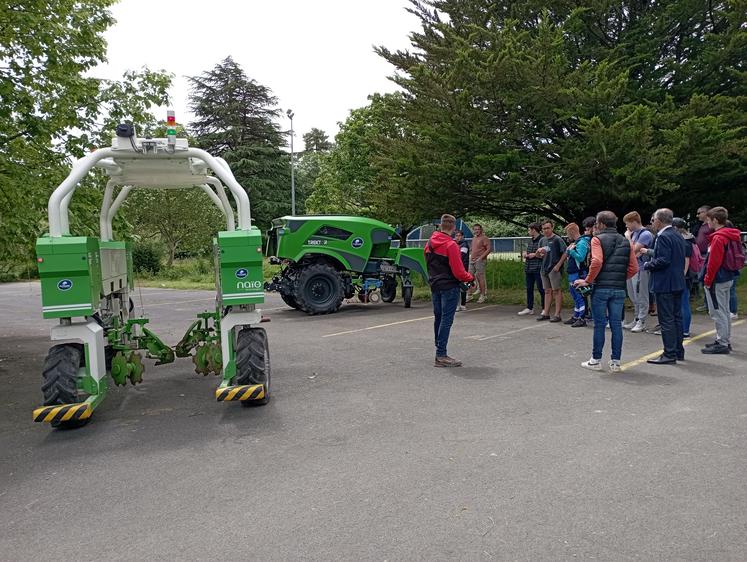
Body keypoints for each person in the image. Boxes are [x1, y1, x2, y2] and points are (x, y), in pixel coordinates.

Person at [574, 211, 638, 372]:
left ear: (601, 224)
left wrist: (587, 280)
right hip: (618, 289)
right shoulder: (626, 241)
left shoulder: (597, 240)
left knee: (600, 325)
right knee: (616, 325)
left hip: (601, 288)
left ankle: (596, 359)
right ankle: (615, 361)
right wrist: (620, 278)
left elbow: (597, 261)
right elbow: (634, 268)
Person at [424, 214, 475, 367]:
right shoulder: (451, 245)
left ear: (440, 225)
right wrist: (470, 278)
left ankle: (438, 349)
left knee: (438, 317)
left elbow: (427, 262)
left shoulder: (429, 244)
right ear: (453, 227)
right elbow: (459, 271)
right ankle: (441, 354)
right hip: (449, 286)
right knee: (447, 320)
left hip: (435, 284)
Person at [642, 208, 687, 365]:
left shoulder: (663, 236)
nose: (652, 222)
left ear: (659, 221)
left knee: (666, 319)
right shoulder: (677, 234)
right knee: (676, 318)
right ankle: (678, 350)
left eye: (653, 220)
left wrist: (647, 264)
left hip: (665, 283)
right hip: (677, 281)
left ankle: (669, 353)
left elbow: (663, 260)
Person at [700, 206, 741, 354]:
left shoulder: (718, 238)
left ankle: (723, 342)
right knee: (723, 310)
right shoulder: (730, 235)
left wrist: (707, 280)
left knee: (717, 311)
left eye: (709, 220)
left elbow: (713, 262)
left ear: (715, 220)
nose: (707, 223)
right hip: (728, 275)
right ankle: (723, 339)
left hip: (718, 278)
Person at [622, 212, 654, 333]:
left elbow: (633, 250)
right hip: (632, 268)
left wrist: (628, 238)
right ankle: (636, 318)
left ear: (634, 222)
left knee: (641, 294)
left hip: (642, 268)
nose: (627, 227)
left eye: (627, 223)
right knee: (633, 295)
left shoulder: (645, 234)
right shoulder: (635, 234)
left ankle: (642, 321)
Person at [673, 217, 700, 338]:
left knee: (683, 302)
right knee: (683, 302)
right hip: (687, 275)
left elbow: (686, 260)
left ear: (675, 228)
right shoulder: (689, 238)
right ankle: (683, 328)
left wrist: (681, 276)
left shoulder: (684, 241)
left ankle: (685, 330)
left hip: (684, 276)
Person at [536, 219, 567, 322]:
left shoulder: (557, 239)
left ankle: (557, 314)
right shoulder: (542, 240)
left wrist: (558, 265)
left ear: (552, 228)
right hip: (544, 268)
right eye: (544, 229)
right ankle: (546, 313)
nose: (546, 230)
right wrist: (538, 253)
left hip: (554, 268)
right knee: (547, 291)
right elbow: (540, 255)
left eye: (548, 228)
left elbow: (565, 252)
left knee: (556, 291)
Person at [564, 222, 591, 327]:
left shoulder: (582, 243)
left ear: (572, 232)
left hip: (578, 273)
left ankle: (582, 317)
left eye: (568, 234)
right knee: (575, 296)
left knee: (580, 296)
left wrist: (571, 251)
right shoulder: (576, 242)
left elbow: (581, 257)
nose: (567, 236)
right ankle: (576, 315)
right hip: (572, 273)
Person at [518, 222, 545, 315]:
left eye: (529, 230)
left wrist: (535, 255)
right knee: (529, 288)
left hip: (538, 267)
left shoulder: (542, 240)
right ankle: (529, 307)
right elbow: (529, 250)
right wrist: (525, 254)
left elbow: (544, 253)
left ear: (534, 230)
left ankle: (545, 308)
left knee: (541, 288)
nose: (528, 231)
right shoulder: (531, 240)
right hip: (529, 267)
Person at [466, 223, 490, 304]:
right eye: (475, 229)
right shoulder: (474, 238)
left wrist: (481, 258)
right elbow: (473, 249)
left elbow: (489, 249)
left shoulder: (484, 238)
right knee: (469, 277)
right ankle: (469, 294)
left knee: (480, 277)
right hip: (472, 260)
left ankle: (483, 295)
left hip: (480, 261)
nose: (476, 231)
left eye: (478, 229)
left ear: (481, 230)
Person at [454, 229, 470, 312]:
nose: (457, 237)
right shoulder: (454, 244)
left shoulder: (464, 245)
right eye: (456, 235)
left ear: (463, 236)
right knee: (457, 287)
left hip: (463, 269)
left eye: (459, 235)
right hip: (456, 269)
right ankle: (457, 305)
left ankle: (463, 304)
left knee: (463, 286)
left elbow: (461, 256)